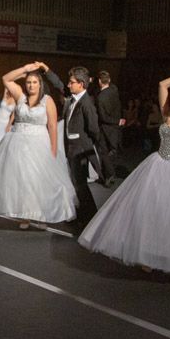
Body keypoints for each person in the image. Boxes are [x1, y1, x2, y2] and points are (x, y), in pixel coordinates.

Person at [79, 70, 170, 282]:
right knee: (154, 214)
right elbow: (162, 85)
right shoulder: (167, 116)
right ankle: (150, 256)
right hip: (158, 165)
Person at [0, 62, 76, 228]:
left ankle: (41, 215)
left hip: (39, 144)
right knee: (22, 181)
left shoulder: (47, 100)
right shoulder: (20, 96)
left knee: (38, 180)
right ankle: (25, 216)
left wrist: (53, 149)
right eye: (28, 82)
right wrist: (25, 70)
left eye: (34, 82)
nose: (31, 85)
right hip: (17, 144)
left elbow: (52, 126)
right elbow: (6, 79)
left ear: (40, 84)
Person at [63, 67, 99, 225]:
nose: (68, 85)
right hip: (72, 149)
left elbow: (93, 129)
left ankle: (89, 218)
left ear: (81, 84)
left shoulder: (86, 103)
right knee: (78, 184)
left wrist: (85, 145)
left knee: (81, 185)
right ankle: (84, 216)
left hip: (80, 150)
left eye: (71, 82)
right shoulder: (73, 100)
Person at [95, 70, 122, 185]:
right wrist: (118, 121)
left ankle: (109, 175)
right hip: (115, 128)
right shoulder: (114, 90)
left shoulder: (100, 97)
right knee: (112, 152)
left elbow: (103, 117)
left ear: (99, 81)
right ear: (109, 80)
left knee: (103, 152)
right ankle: (108, 174)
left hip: (106, 127)